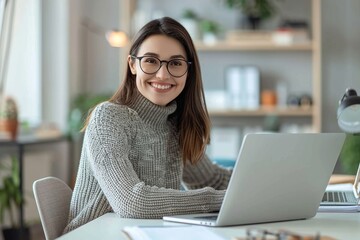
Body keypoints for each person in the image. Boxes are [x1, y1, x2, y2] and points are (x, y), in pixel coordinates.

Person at [64, 16, 232, 233]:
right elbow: (131, 202)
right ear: (133, 65)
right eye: (151, 60)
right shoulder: (108, 118)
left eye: (175, 63)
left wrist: (269, 185)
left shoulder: (175, 125)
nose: (163, 74)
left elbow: (214, 179)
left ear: (188, 71)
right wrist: (216, 199)